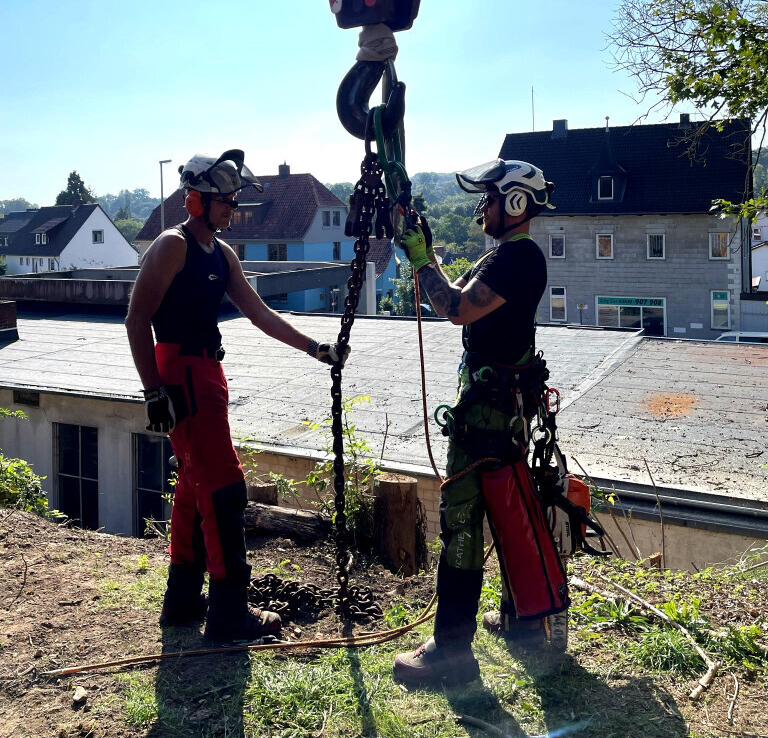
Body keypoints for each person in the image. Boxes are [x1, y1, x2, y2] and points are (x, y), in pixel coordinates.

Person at [125, 149, 348, 644]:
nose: (232, 209)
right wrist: (153, 391)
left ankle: (182, 601)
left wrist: (316, 348)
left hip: (206, 371)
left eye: (232, 201)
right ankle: (228, 611)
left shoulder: (222, 255)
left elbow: (260, 313)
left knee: (193, 485)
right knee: (224, 488)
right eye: (223, 201)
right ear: (196, 201)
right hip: (179, 371)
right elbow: (137, 319)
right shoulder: (171, 246)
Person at [392, 158, 555, 685]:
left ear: (514, 203)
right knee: (507, 504)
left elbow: (456, 308)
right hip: (498, 406)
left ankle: (452, 649)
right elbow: (446, 292)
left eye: (489, 198)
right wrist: (424, 250)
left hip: (486, 411)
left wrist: (420, 257)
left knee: (462, 518)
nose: (481, 206)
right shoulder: (505, 256)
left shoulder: (517, 260)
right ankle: (521, 619)